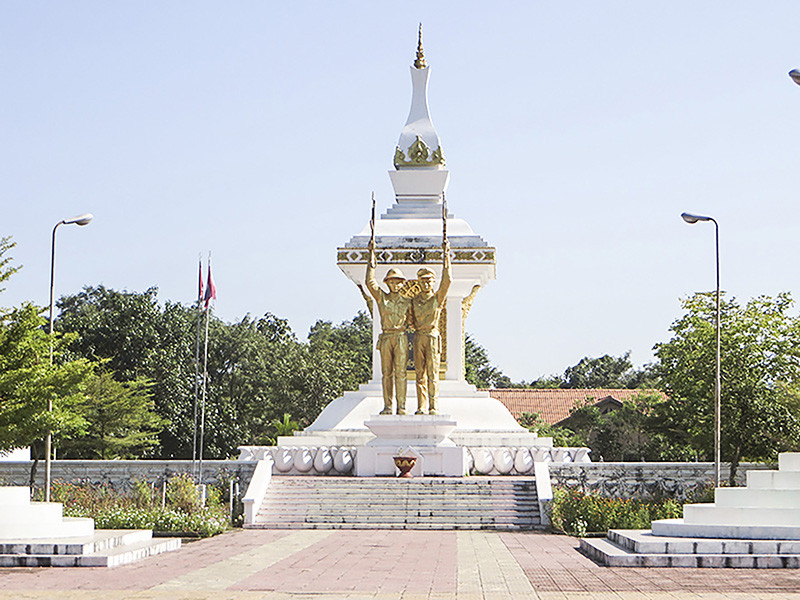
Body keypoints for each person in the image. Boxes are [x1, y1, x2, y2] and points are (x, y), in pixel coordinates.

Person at [366, 240, 412, 414]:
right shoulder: (382, 298)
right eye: (392, 282)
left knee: (401, 373)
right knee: (386, 373)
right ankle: (388, 406)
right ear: (387, 283)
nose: (395, 285)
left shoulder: (407, 302)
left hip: (401, 337)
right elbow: (369, 282)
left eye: (398, 282)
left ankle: (402, 406)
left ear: (402, 284)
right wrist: (371, 257)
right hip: (386, 337)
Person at [411, 241, 451, 415]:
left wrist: (446, 256)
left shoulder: (437, 299)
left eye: (429, 281)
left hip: (433, 336)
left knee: (433, 374)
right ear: (418, 282)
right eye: (423, 281)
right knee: (420, 374)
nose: (426, 284)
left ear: (433, 282)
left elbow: (448, 281)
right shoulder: (414, 301)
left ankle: (433, 406)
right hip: (419, 336)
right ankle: (421, 406)